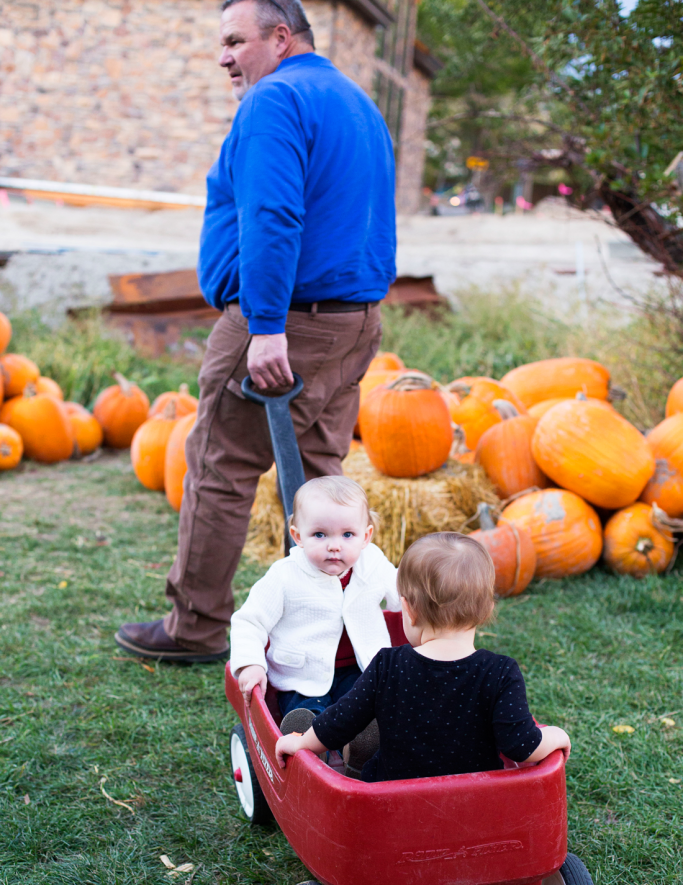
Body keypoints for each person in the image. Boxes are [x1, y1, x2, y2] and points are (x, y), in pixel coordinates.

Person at [115, 0, 396, 662]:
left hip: (285, 321)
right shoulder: (355, 102)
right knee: (322, 481)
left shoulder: (276, 98)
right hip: (353, 321)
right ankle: (337, 631)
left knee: (219, 468)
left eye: (235, 40)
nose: (224, 57)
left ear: (279, 36)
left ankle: (194, 627)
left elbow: (271, 216)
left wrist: (266, 326)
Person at [275, 533, 571, 781]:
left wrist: (301, 742)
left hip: (392, 797)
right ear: (485, 610)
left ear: (409, 609)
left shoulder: (388, 665)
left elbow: (339, 721)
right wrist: (556, 736)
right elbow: (520, 744)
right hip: (473, 801)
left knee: (370, 755)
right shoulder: (500, 672)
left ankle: (352, 766)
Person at [230, 476, 400, 734]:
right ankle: (307, 737)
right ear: (298, 536)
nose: (334, 546)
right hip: (301, 675)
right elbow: (249, 621)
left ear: (366, 537)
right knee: (305, 708)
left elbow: (405, 595)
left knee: (365, 705)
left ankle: (362, 746)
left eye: (347, 534)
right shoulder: (284, 575)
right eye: (319, 534)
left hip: (360, 668)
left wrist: (434, 602)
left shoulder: (373, 563)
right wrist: (251, 663)